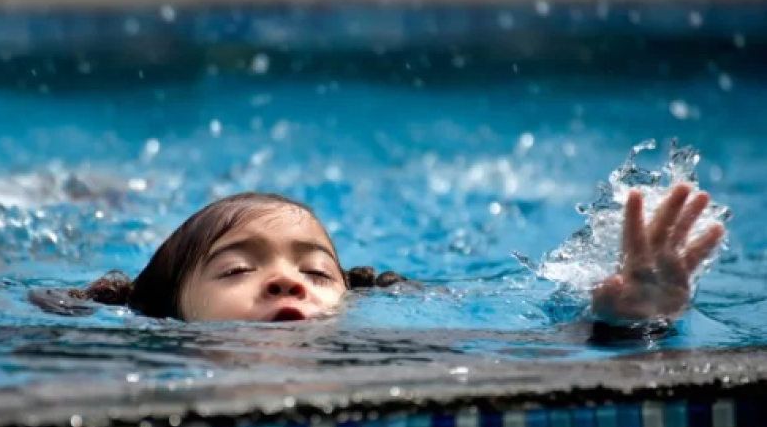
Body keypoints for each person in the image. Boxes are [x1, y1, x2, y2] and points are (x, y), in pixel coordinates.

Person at [39, 183, 723, 329]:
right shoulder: (126, 355)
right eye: (237, 268)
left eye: (315, 271)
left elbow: (541, 356)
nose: (286, 278)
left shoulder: (392, 351)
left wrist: (632, 319)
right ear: (169, 311)